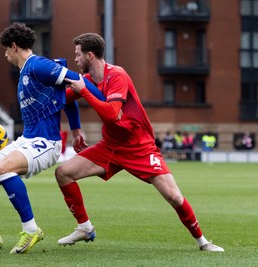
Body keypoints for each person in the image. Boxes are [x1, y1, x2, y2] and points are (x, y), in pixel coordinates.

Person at [56, 32, 224, 252]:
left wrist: (84, 92)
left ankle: (203, 242)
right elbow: (63, 99)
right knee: (63, 173)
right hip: (110, 146)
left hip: (139, 147)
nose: (75, 59)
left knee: (173, 196)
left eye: (77, 55)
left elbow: (111, 113)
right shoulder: (88, 81)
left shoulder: (117, 75)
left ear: (89, 55)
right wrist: (53, 92)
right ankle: (84, 227)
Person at [0, 23, 105, 254]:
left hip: (46, 142)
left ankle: (31, 230)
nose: (5, 55)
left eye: (6, 50)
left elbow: (79, 84)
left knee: (5, 169)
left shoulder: (38, 65)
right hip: (26, 140)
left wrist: (106, 103)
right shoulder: (25, 72)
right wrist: (77, 130)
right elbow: (66, 95)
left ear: (14, 45)